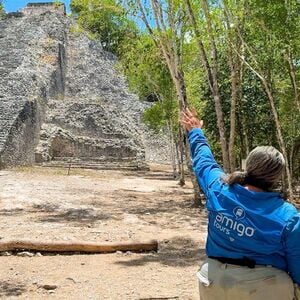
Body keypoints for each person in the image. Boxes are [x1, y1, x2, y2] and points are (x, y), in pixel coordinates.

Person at [180, 108, 300, 300]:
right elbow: (297, 263)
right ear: (277, 177)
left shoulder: (218, 188)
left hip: (213, 283)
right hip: (263, 289)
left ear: (248, 166)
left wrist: (195, 131)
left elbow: (203, 161)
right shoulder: (288, 216)